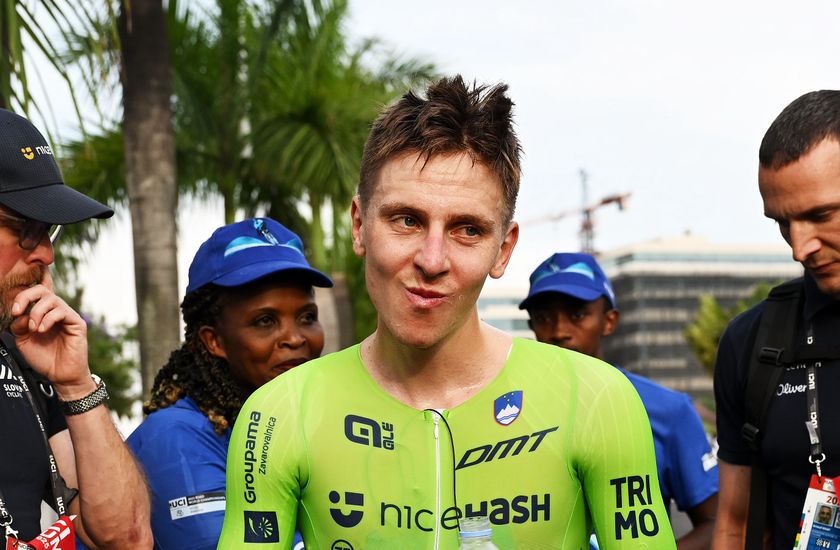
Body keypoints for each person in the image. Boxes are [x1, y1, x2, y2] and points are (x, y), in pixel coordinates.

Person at [219, 76, 675, 548]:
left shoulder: (597, 399)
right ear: (359, 226)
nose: (432, 260)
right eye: (407, 220)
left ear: (503, 249)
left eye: (468, 230)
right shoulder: (277, 414)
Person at [127, 217, 331, 549]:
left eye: (307, 317)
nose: (295, 338)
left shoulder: (302, 430)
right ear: (214, 341)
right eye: (265, 321)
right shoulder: (176, 438)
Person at [0, 108, 151, 546]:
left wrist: (75, 385)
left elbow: (127, 538)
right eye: (25, 229)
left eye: (48, 232)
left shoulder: (25, 357)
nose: (45, 254)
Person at [519, 252, 718, 550]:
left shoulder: (668, 410)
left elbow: (715, 524)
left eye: (577, 315)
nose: (559, 331)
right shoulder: (513, 412)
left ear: (609, 321)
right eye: (544, 317)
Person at [713, 90, 840, 549]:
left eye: (820, 215)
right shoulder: (751, 341)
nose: (799, 248)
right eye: (783, 223)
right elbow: (733, 523)